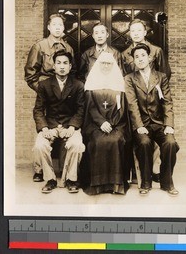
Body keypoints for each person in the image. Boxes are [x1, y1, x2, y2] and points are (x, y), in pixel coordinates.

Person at [125, 43, 179, 196]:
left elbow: (167, 102)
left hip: (159, 123)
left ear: (149, 58)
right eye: (136, 57)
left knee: (170, 143)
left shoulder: (160, 77)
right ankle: (146, 182)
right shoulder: (129, 79)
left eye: (143, 55)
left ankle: (166, 182)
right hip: (142, 125)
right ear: (134, 61)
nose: (140, 59)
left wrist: (169, 124)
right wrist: (139, 126)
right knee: (144, 142)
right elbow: (132, 104)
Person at [122, 18, 171, 183]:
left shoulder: (156, 51)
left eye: (139, 30)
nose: (135, 33)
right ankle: (139, 172)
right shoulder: (125, 54)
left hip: (153, 101)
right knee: (139, 137)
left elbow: (165, 74)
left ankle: (155, 170)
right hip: (135, 101)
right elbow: (125, 78)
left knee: (158, 138)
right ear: (130, 34)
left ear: (145, 32)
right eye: (132, 31)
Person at [32, 49, 85, 193]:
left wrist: (73, 127)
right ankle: (50, 179)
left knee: (77, 144)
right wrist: (44, 129)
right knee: (40, 145)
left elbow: (81, 110)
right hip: (50, 126)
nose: (62, 66)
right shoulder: (44, 85)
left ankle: (71, 179)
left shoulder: (78, 85)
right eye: (59, 63)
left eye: (65, 63)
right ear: (54, 66)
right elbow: (38, 110)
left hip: (70, 125)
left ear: (70, 66)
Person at [82, 51, 131, 195]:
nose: (105, 66)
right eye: (103, 63)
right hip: (95, 124)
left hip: (116, 125)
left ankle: (116, 185)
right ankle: (97, 185)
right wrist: (101, 122)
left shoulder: (118, 84)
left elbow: (121, 109)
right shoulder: (91, 83)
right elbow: (90, 108)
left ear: (113, 65)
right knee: (97, 141)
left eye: (109, 64)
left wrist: (112, 123)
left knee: (116, 140)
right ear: (98, 64)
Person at [24, 13, 74, 92]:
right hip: (46, 90)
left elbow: (72, 72)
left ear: (63, 28)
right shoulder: (39, 46)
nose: (57, 28)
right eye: (54, 24)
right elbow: (30, 74)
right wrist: (42, 90)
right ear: (49, 27)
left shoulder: (68, 48)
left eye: (60, 25)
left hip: (64, 92)